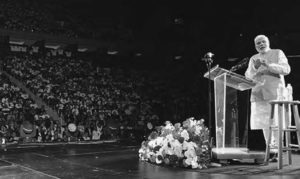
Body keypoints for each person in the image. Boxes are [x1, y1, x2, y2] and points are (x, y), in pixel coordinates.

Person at [245, 34, 291, 161]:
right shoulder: (253, 58)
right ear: (255, 46)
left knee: (276, 122)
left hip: (275, 93)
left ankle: (277, 150)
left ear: (268, 42)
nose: (261, 44)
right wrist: (254, 68)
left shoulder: (277, 53)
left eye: (263, 42)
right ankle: (270, 150)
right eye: (258, 43)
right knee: (265, 124)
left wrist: (269, 65)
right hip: (259, 94)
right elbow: (248, 76)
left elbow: (286, 69)